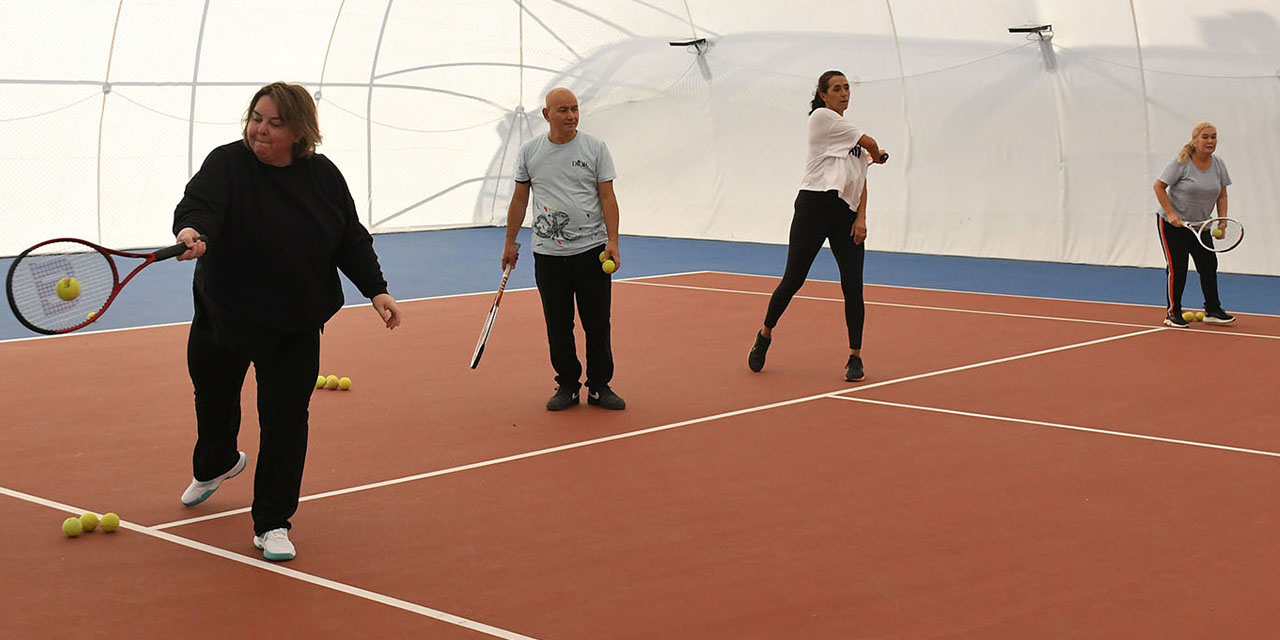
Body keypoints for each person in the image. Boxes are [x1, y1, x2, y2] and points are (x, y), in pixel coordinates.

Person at [171, 82, 403, 562]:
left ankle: (272, 521)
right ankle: (217, 463)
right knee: (212, 399)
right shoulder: (227, 163)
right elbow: (200, 205)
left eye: (275, 123)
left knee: (285, 421)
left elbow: (349, 239)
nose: (261, 129)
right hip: (225, 313)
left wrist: (376, 289)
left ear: (300, 132)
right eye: (257, 117)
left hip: (294, 321)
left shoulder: (323, 177)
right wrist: (192, 231)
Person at [747, 70, 888, 382]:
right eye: (837, 89)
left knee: (853, 286)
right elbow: (872, 144)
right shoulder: (822, 117)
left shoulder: (849, 137)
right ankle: (765, 334)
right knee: (793, 279)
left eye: (847, 88)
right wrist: (878, 154)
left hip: (845, 215)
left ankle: (855, 357)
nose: (844, 93)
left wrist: (861, 218)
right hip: (813, 207)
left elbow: (861, 180)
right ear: (823, 95)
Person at [502, 87, 626, 411]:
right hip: (548, 255)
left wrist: (612, 241)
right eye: (563, 110)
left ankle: (599, 386)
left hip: (592, 251)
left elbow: (607, 198)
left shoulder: (595, 148)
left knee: (597, 323)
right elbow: (519, 199)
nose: (571, 116)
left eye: (574, 109)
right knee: (558, 325)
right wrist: (509, 242)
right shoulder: (530, 152)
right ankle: (567, 385)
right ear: (547, 115)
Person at [1153, 121, 1235, 327]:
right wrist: (1171, 214)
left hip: (1202, 226)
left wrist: (1222, 220)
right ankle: (1173, 313)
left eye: (1213, 137)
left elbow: (1222, 195)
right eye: (1205, 137)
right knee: (1177, 268)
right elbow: (1159, 186)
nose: (1210, 141)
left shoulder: (1218, 164)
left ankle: (1213, 310)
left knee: (1208, 267)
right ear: (1195, 140)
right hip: (1173, 226)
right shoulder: (1181, 162)